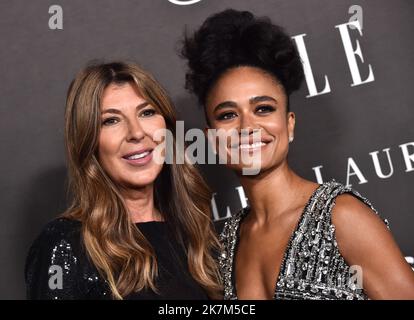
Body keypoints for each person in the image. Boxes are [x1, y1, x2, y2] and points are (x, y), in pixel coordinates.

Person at [181, 9, 414, 299]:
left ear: (289, 124)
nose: (247, 127)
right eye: (227, 115)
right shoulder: (229, 242)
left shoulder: (339, 216)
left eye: (263, 108)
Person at [25, 61, 221, 300]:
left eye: (147, 112)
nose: (137, 133)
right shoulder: (65, 243)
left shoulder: (197, 236)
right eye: (111, 120)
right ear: (89, 142)